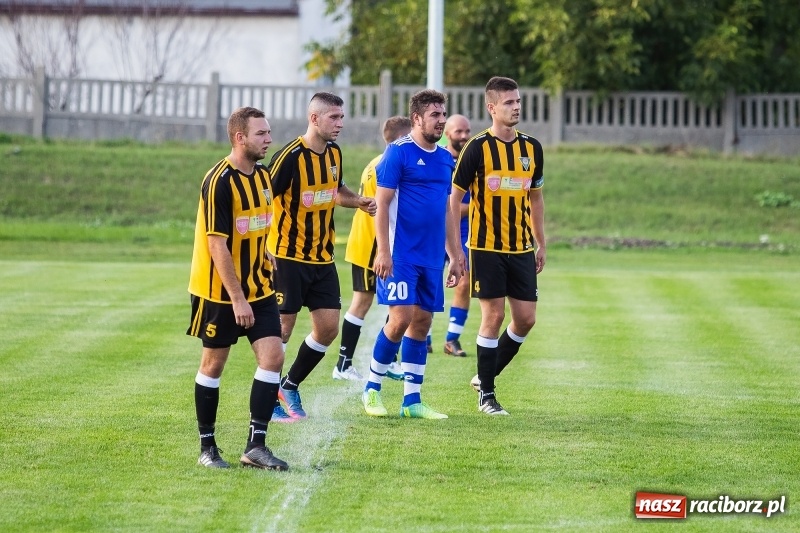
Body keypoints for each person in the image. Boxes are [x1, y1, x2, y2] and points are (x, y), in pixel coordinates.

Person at [187, 106, 288, 470]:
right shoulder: (219, 181)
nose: (269, 139)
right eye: (261, 133)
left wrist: (265, 252)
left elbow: (256, 224)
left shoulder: (262, 176)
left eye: (268, 132)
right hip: (220, 292)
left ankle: (256, 446)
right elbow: (217, 243)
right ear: (239, 137)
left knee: (273, 356)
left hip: (258, 288)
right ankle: (207, 448)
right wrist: (237, 299)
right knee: (214, 363)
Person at [267, 92, 377, 421]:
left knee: (328, 328)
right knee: (282, 329)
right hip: (287, 257)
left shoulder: (333, 153)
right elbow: (261, 200)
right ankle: (268, 398)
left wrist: (357, 200)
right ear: (314, 119)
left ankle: (290, 384)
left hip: (322, 257)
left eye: (342, 117)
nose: (340, 123)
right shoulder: (289, 157)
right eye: (334, 117)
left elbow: (335, 190)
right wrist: (260, 247)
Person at [362, 89, 465, 419]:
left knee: (422, 323)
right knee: (400, 320)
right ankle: (372, 390)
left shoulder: (445, 158)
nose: (442, 120)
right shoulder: (398, 153)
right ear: (417, 118)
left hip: (432, 256)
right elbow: (381, 206)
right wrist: (383, 251)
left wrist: (456, 254)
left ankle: (412, 402)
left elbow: (448, 211)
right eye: (435, 115)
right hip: (401, 254)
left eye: (443, 113)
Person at [450, 76, 546, 416]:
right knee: (494, 315)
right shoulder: (476, 148)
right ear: (492, 108)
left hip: (521, 248)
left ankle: (483, 376)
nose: (516, 106)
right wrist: (456, 251)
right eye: (508, 102)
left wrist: (541, 242)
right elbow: (454, 200)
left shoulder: (532, 148)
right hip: (486, 247)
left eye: (518, 100)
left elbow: (535, 197)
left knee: (526, 319)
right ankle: (487, 396)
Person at [333, 116, 413, 382]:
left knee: (393, 302)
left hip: (369, 241)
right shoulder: (389, 164)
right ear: (402, 138)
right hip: (372, 245)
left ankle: (388, 360)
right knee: (363, 302)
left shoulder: (377, 161)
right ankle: (343, 364)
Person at [441, 114, 472, 358]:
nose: (463, 136)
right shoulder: (438, 159)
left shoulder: (473, 161)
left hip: (462, 232)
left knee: (464, 283)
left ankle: (452, 338)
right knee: (427, 283)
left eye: (467, 131)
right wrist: (472, 208)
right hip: (433, 230)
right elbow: (443, 206)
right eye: (458, 131)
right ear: (447, 133)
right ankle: (425, 336)